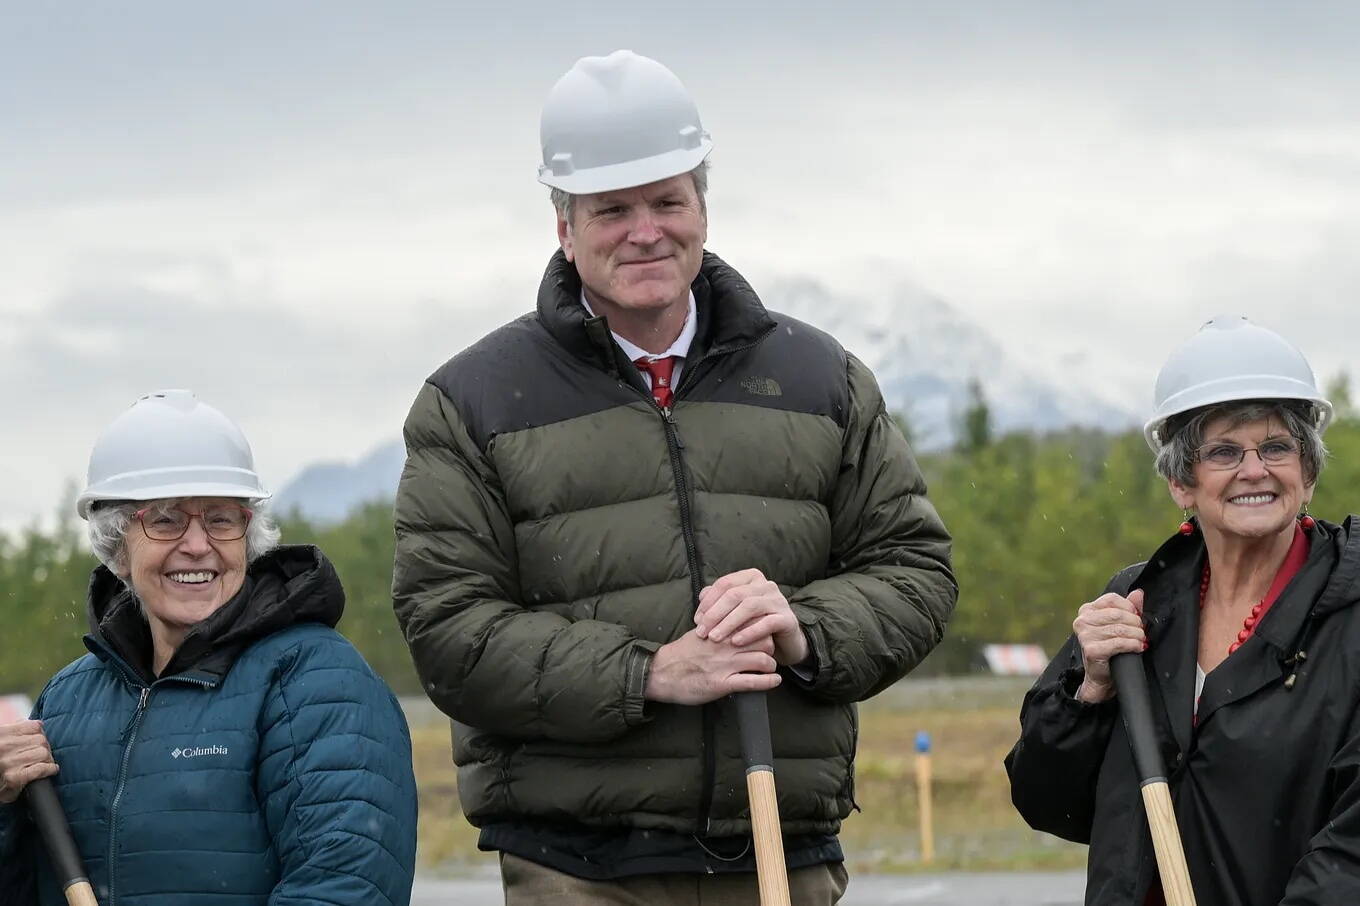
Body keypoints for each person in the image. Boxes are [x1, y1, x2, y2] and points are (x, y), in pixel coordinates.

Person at [392, 50, 956, 904]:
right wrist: (648, 673)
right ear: (563, 227)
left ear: (702, 204)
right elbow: (449, 631)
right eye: (612, 209)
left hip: (783, 856)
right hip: (577, 869)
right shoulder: (472, 401)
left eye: (667, 200)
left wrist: (803, 628)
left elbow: (916, 572)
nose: (645, 230)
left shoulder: (823, 378)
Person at [0, 390, 418, 906]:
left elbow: (347, 886)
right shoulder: (67, 700)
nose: (198, 545)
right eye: (167, 519)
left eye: (220, 519)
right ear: (117, 545)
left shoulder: (317, 682)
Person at [1006, 315, 1360, 905]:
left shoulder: (1349, 610)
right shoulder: (1139, 601)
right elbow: (1052, 806)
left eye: (1276, 446)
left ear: (1309, 469)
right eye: (1223, 452)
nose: (1255, 470)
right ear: (1181, 482)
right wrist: (1088, 693)